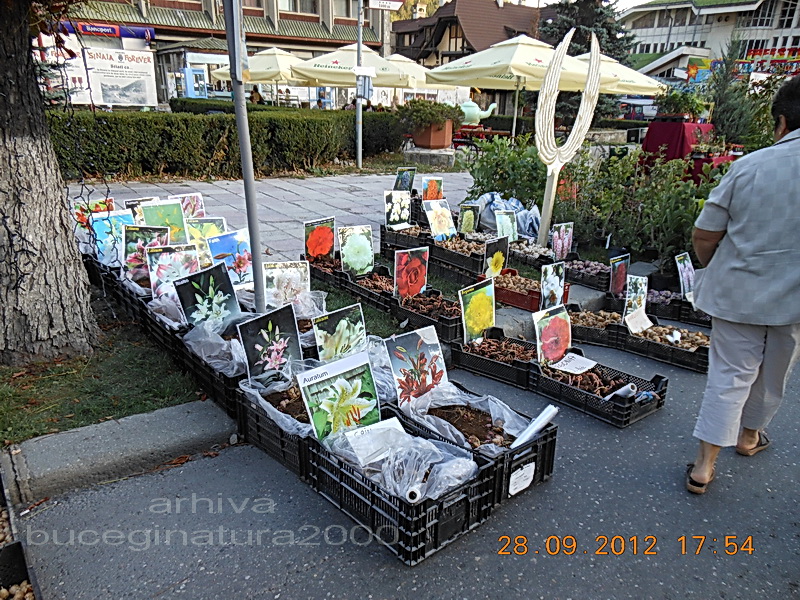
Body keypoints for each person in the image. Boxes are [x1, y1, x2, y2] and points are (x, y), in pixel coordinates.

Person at [685, 76, 800, 495]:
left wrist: (715, 268)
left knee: (729, 376)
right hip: (795, 302)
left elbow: (705, 234)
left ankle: (704, 465)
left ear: (782, 121)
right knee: (776, 372)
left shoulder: (751, 166)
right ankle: (749, 437)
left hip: (738, 292)